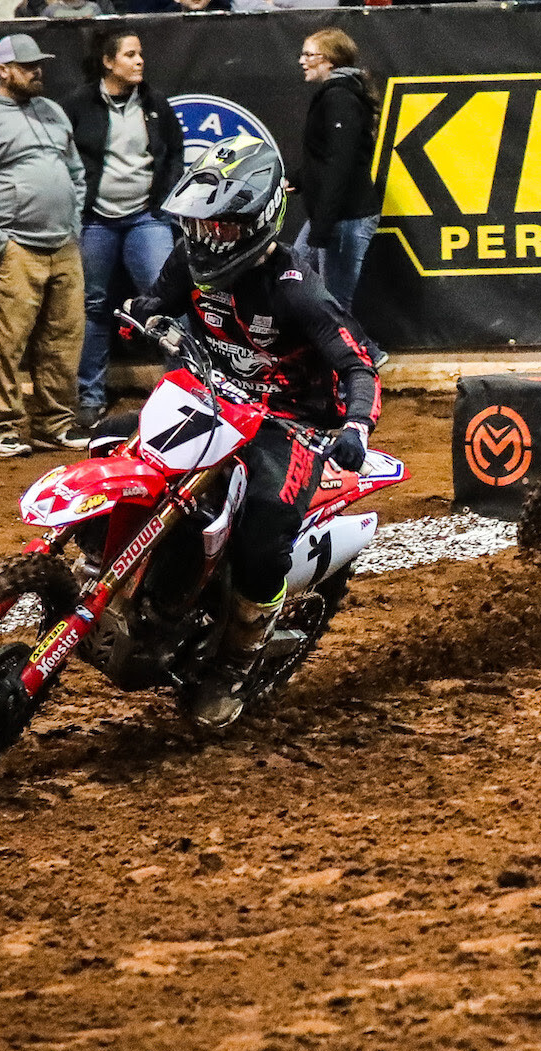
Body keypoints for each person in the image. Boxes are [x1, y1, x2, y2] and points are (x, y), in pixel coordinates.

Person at [117, 136, 377, 727]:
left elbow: (358, 363)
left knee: (261, 542)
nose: (207, 240)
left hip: (292, 423)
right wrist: (147, 311)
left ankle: (237, 663)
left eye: (222, 229)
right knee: (112, 441)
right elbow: (161, 299)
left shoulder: (297, 289)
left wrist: (357, 426)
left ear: (260, 222)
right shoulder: (192, 255)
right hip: (210, 396)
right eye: (199, 226)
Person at [0, 32, 89, 460]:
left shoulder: (52, 111)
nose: (36, 71)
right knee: (6, 344)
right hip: (15, 248)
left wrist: (73, 220)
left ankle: (54, 424)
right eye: (26, 66)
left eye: (38, 64)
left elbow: (75, 171)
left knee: (63, 340)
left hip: (62, 244)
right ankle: (1, 428)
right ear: (3, 70)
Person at [63, 28, 182, 424]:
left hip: (147, 218)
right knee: (93, 306)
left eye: (140, 54)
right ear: (108, 62)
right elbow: (64, 157)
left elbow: (174, 155)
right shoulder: (79, 104)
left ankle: (183, 390)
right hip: (95, 221)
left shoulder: (154, 103)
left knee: (169, 301)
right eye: (130, 55)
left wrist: (163, 203)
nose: (139, 61)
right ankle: (90, 397)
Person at [295, 28, 381, 313]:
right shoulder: (335, 95)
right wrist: (295, 180)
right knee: (293, 279)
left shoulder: (339, 98)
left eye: (309, 54)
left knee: (334, 302)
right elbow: (324, 157)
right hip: (330, 214)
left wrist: (322, 227)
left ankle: (363, 355)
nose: (302, 61)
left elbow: (340, 165)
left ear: (329, 60)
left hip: (344, 217)